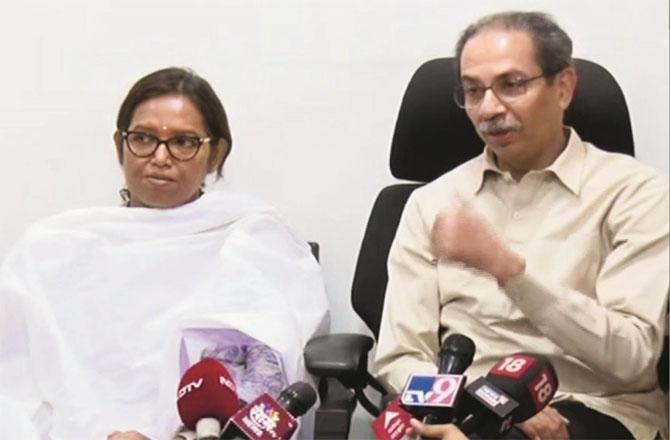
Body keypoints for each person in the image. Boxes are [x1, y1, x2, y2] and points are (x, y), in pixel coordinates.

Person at [374, 11, 668, 439]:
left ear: (563, 87)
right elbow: (400, 355)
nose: (489, 109)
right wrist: (482, 400)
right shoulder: (432, 203)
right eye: (473, 91)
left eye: (511, 85)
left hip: (590, 405)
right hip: (462, 403)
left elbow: (632, 357)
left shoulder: (634, 193)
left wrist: (508, 271)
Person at [0, 67, 329, 439]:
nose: (160, 157)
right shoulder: (50, 248)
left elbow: (269, 385)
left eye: (184, 142)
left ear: (216, 154)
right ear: (119, 146)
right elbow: (13, 385)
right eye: (143, 138)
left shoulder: (253, 241)